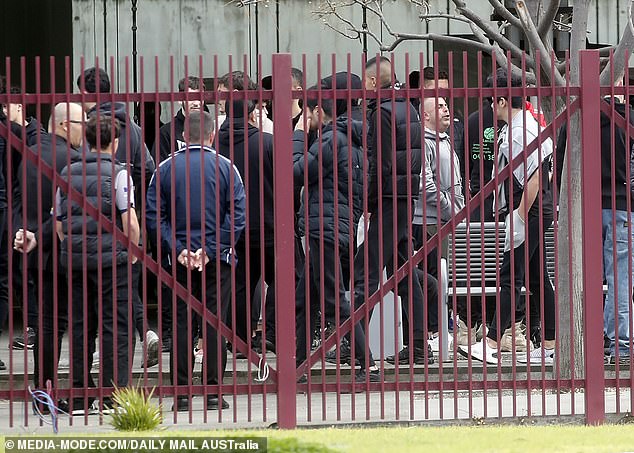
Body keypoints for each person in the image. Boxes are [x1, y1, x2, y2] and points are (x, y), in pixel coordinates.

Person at [146, 110, 246, 411]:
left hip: (177, 260)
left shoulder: (164, 168)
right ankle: (214, 392)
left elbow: (154, 215)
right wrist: (211, 250)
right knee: (215, 323)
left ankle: (182, 394)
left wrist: (177, 249)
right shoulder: (228, 168)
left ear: (182, 136)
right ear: (212, 134)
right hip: (218, 260)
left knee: (180, 324)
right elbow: (237, 216)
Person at [460, 68, 555, 365]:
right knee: (538, 278)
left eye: (492, 100)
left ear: (501, 101)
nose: (490, 105)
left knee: (509, 276)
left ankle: (489, 341)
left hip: (529, 208)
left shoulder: (519, 132)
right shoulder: (526, 125)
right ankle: (551, 344)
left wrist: (519, 216)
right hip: (535, 208)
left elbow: (536, 177)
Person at [293, 78, 379, 382]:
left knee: (334, 299)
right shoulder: (353, 140)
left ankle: (366, 363)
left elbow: (295, 171)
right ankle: (299, 364)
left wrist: (298, 134)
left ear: (320, 109)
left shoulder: (331, 140)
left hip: (324, 228)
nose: (306, 116)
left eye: (308, 109)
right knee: (304, 299)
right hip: (336, 227)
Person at [56, 115, 140, 413]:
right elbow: (128, 219)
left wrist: (71, 247)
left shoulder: (67, 172)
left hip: (76, 262)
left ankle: (78, 396)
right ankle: (112, 395)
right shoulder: (119, 174)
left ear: (88, 140)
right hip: (111, 262)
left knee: (79, 327)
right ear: (115, 142)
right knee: (114, 327)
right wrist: (131, 252)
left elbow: (59, 222)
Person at [77, 67, 159, 366]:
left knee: (98, 289)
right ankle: (144, 333)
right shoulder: (133, 128)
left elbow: (79, 170)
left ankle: (108, 350)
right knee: (125, 284)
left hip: (92, 221)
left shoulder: (88, 128)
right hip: (129, 218)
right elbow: (149, 169)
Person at [353, 56, 431, 365]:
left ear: (373, 82)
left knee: (365, 273)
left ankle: (360, 351)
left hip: (387, 200)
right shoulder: (407, 106)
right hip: (405, 199)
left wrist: (368, 204)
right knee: (404, 273)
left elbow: (379, 165)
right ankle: (418, 346)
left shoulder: (383, 112)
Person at [556, 65, 634, 365]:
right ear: (618, 85)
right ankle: (621, 344)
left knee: (584, 277)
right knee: (620, 278)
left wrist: (562, 206)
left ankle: (589, 340)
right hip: (622, 205)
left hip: (584, 205)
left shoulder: (575, 118)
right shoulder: (626, 118)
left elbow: (561, 165)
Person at [12, 102, 84, 394]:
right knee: (74, 322)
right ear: (66, 125)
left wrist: (21, 232)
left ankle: (43, 389)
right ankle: (79, 388)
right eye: (82, 124)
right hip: (64, 252)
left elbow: (17, 198)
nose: (86, 131)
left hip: (34, 254)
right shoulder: (72, 159)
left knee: (46, 324)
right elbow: (67, 214)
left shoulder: (30, 154)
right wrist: (38, 235)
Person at [151, 76, 206, 354]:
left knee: (203, 280)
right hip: (174, 214)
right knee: (170, 278)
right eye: (190, 97)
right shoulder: (166, 132)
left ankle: (199, 334)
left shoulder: (211, 127)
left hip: (204, 215)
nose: (195, 101)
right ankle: (170, 332)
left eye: (198, 96)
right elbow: (158, 170)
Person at [217, 97, 275, 351]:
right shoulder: (266, 142)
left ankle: (240, 340)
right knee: (282, 279)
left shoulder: (216, 145)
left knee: (240, 284)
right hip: (268, 222)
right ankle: (274, 334)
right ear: (252, 114)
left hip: (233, 225)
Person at [414, 96, 464, 351]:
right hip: (429, 222)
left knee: (441, 277)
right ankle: (432, 332)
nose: (446, 110)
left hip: (444, 221)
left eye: (446, 105)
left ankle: (437, 328)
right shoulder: (425, 143)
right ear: (425, 116)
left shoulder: (445, 142)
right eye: (440, 107)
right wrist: (450, 206)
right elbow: (425, 184)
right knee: (433, 278)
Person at [2, 87, 46, 353]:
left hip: (30, 210)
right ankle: (34, 325)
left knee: (26, 271)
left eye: (10, 106)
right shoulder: (9, 134)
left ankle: (35, 327)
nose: (5, 112)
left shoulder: (35, 136)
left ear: (21, 107)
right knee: (18, 271)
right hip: (13, 208)